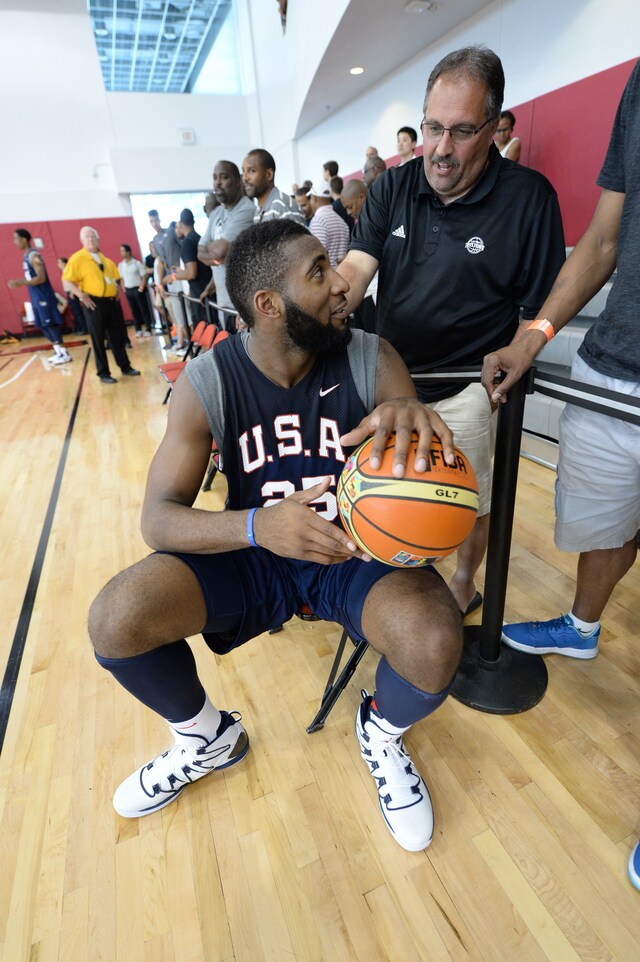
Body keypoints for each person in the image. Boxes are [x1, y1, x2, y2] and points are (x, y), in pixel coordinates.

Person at [88, 219, 463, 853]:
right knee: (116, 617)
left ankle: (380, 732)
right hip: (254, 553)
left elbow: (419, 489)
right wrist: (257, 525)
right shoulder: (207, 382)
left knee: (435, 641)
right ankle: (206, 739)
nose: (342, 283)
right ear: (268, 304)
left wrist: (414, 422)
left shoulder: (373, 358)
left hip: (352, 552)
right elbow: (158, 518)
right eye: (319, 272)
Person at [481, 59, 640, 893]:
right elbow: (606, 238)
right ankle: (581, 626)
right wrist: (533, 335)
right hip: (615, 371)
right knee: (604, 524)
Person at [338, 44, 566, 617]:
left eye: (461, 132)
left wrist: (520, 352)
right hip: (390, 381)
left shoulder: (529, 198)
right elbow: (356, 272)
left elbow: (538, 309)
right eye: (433, 128)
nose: (441, 149)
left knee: (467, 499)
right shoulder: (392, 187)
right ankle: (386, 586)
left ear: (493, 129)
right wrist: (306, 310)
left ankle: (464, 585)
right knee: (388, 491)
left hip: (467, 385)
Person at [62, 226, 140, 384]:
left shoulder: (106, 260)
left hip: (111, 303)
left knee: (117, 337)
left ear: (98, 239)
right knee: (98, 339)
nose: (91, 239)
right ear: (82, 240)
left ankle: (125, 366)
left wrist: (116, 290)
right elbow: (67, 280)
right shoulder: (77, 259)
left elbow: (115, 279)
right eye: (87, 237)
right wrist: (81, 295)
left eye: (93, 236)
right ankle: (103, 372)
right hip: (94, 304)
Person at [198, 160, 255, 326]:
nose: (218, 182)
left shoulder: (246, 209)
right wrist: (217, 260)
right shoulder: (216, 213)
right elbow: (200, 252)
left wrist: (216, 252)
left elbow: (219, 250)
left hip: (242, 309)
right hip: (223, 303)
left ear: (237, 181)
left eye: (223, 177)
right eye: (215, 177)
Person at [7, 230, 71, 365]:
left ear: (24, 239)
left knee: (50, 325)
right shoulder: (26, 256)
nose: (14, 242)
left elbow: (41, 278)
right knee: (43, 325)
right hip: (36, 296)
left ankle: (64, 353)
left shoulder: (33, 255)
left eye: (16, 239)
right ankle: (58, 351)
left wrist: (21, 282)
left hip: (43, 296)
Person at [242, 149, 306, 225]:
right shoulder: (259, 210)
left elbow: (296, 233)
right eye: (243, 171)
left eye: (252, 171)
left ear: (269, 174)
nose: (245, 178)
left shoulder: (281, 205)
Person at [173, 209, 212, 327]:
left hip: (200, 294)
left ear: (181, 223)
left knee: (205, 329)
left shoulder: (188, 242)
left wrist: (173, 277)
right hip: (206, 290)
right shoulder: (199, 238)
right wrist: (180, 271)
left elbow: (192, 273)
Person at [308, 183, 350, 268]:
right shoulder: (341, 221)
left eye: (310, 198)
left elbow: (317, 256)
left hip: (328, 275)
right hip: (342, 273)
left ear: (314, 198)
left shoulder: (318, 221)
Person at [118, 244, 153, 338]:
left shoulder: (136, 263)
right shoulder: (121, 265)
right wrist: (124, 289)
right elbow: (121, 278)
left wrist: (141, 288)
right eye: (120, 251)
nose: (121, 253)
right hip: (128, 290)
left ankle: (148, 328)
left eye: (123, 251)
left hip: (138, 288)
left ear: (128, 252)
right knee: (134, 311)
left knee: (144, 309)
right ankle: (138, 329)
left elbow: (144, 277)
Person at [58, 256, 88, 334]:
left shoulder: (68, 271)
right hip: (69, 293)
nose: (58, 264)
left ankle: (84, 328)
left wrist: (72, 292)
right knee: (74, 311)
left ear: (64, 263)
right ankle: (80, 328)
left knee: (77, 311)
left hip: (72, 293)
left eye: (59, 262)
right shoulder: (64, 271)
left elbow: (75, 282)